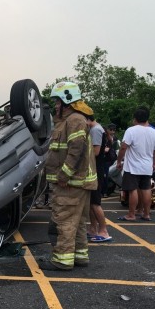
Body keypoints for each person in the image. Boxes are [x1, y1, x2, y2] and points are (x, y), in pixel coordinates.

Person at [45, 81, 98, 270]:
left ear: (68, 101)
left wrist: (64, 175)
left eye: (58, 102)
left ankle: (62, 260)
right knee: (78, 221)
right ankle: (79, 255)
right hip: (78, 182)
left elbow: (76, 150)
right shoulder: (72, 120)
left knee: (65, 219)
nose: (56, 106)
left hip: (71, 183)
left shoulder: (74, 120)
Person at [115, 106, 155, 221]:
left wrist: (119, 161)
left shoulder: (131, 130)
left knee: (132, 190)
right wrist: (154, 163)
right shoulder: (154, 132)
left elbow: (123, 147)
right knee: (146, 189)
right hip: (147, 166)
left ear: (135, 119)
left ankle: (131, 214)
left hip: (132, 167)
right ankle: (146, 214)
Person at [86, 115, 112, 242]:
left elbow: (95, 152)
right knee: (91, 202)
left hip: (96, 169)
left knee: (95, 202)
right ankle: (93, 229)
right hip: (95, 169)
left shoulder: (95, 130)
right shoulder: (96, 129)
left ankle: (103, 230)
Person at [101, 124, 118, 197]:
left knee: (105, 176)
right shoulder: (105, 139)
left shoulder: (108, 140)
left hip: (106, 160)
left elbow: (106, 150)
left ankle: (104, 192)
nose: (112, 131)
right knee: (103, 176)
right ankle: (103, 191)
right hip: (103, 160)